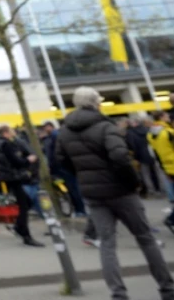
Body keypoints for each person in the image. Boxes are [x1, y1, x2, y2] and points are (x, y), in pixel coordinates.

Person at [57, 87, 173, 300]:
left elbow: (62, 160)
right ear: (96, 103)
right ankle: (166, 288)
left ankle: (118, 293)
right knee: (145, 238)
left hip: (93, 193)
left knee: (107, 244)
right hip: (121, 191)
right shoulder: (105, 126)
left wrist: (83, 175)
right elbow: (120, 157)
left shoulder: (65, 131)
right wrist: (133, 183)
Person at [0, 126, 45, 247]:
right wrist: (28, 160)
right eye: (11, 132)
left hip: (7, 177)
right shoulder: (6, 144)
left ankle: (19, 227)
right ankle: (25, 234)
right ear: (5, 133)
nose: (13, 134)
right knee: (24, 205)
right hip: (13, 176)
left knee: (26, 202)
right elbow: (15, 161)